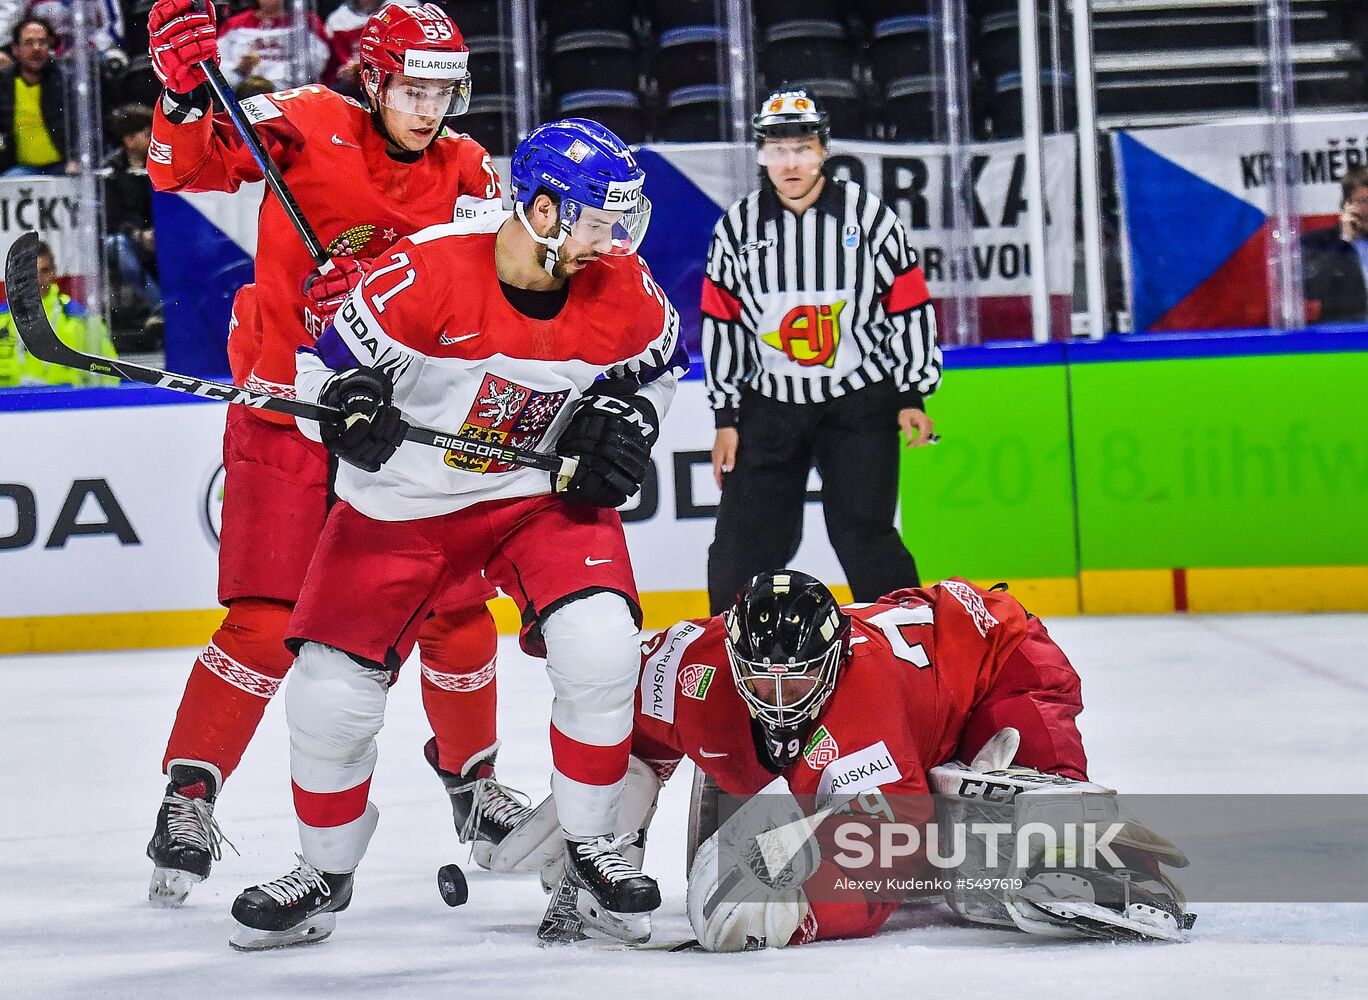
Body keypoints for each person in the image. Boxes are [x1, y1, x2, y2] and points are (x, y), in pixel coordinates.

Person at [226, 118, 688, 951]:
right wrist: (347, 409)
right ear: (542, 212)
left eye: (623, 222)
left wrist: (630, 422)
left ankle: (591, 848)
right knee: (330, 696)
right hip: (401, 505)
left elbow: (659, 369)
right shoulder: (425, 272)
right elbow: (318, 368)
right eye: (597, 222)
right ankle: (324, 873)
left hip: (534, 498)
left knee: (601, 646)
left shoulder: (625, 288)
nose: (613, 242)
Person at [142, 0, 522, 908]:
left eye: (443, 93)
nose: (428, 110)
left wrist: (392, 298)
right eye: (412, 90)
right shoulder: (306, 121)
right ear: (373, 79)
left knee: (458, 613)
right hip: (287, 407)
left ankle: (473, 783)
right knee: (266, 621)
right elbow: (181, 168)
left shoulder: (470, 171)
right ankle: (188, 795)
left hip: (402, 426)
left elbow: (492, 299)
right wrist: (183, 93)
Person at [501, 570, 1191, 951]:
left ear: (835, 660)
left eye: (798, 679)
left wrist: (799, 912)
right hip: (919, 693)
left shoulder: (863, 703)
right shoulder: (688, 668)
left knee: (1031, 821)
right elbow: (620, 725)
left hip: (999, 660)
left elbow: (893, 853)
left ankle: (1120, 869)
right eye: (760, 678)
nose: (778, 698)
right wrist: (597, 821)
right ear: (730, 656)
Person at [701, 88, 942, 614]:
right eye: (778, 150)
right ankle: (728, 646)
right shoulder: (737, 227)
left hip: (859, 403)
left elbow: (908, 306)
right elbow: (723, 324)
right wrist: (725, 416)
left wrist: (912, 394)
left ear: (824, 150)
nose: (791, 163)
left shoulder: (869, 218)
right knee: (742, 545)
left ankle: (913, 643)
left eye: (802, 148)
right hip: (770, 405)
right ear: (761, 154)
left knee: (865, 534)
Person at [0, 240, 117, 386]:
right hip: (10, 400)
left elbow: (109, 375)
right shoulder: (2, 318)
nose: (37, 280)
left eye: (44, 271)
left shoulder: (81, 319)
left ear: (53, 272)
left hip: (66, 400)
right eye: (30, 274)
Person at [102, 103, 163, 349]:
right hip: (130, 238)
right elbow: (114, 216)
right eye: (148, 134)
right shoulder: (112, 170)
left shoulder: (163, 162)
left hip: (165, 233)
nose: (154, 138)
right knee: (116, 245)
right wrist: (138, 233)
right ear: (128, 140)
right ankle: (161, 307)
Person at [0, 17, 69, 176]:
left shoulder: (66, 80)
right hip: (21, 169)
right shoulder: (3, 83)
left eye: (42, 42)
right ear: (15, 49)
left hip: (63, 167)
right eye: (29, 42)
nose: (36, 48)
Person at [1301, 165, 1368, 324]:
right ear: (1346, 205)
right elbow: (1316, 290)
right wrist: (1345, 242)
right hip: (1343, 332)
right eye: (1364, 201)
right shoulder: (1317, 243)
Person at [216, 0, 328, 89]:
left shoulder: (306, 22)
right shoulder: (234, 24)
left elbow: (317, 62)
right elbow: (218, 61)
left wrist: (275, 81)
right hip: (244, 92)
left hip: (290, 93)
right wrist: (239, 69)